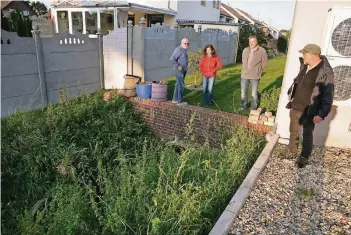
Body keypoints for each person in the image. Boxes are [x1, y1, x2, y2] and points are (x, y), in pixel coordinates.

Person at [286, 44, 334, 168]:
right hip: (295, 105)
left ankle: (304, 156)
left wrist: (321, 113)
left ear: (312, 54)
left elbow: (328, 94)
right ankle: (292, 150)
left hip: (310, 109)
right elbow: (297, 81)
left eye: (304, 53)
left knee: (307, 134)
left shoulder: (325, 72)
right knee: (293, 130)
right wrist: (292, 94)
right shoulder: (304, 65)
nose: (302, 56)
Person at [240, 35, 268, 110]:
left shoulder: (262, 50)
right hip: (244, 75)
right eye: (250, 42)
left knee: (254, 93)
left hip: (255, 76)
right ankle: (243, 106)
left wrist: (259, 69)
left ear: (256, 42)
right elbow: (243, 61)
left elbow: (265, 63)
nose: (251, 43)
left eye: (253, 42)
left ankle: (253, 108)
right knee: (243, 93)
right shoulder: (245, 50)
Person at [170, 38, 189, 106]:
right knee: (181, 85)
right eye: (185, 43)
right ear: (181, 43)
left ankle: (175, 99)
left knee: (178, 84)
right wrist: (178, 65)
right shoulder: (179, 49)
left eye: (188, 43)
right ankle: (180, 101)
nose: (186, 44)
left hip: (183, 70)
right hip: (179, 70)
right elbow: (172, 59)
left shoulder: (184, 49)